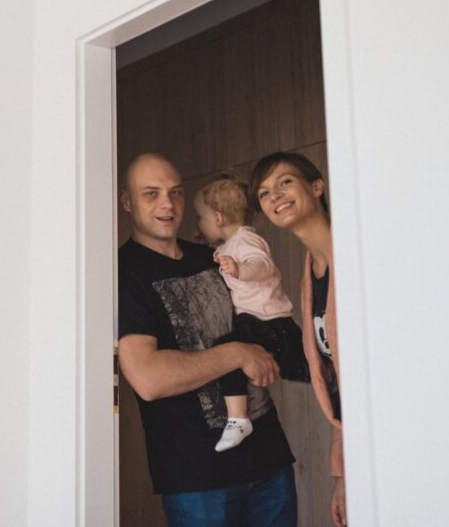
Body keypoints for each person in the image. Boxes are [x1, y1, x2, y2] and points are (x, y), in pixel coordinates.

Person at [118, 153, 297, 527]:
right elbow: (149, 378)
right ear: (127, 201)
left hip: (268, 459)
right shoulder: (122, 273)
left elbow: (264, 315)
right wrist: (236, 353)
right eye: (151, 194)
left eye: (176, 192)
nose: (168, 204)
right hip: (197, 480)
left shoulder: (216, 256)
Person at [250, 152, 346, 527]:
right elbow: (339, 382)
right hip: (362, 444)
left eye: (285, 182)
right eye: (264, 193)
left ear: (317, 186)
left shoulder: (356, 251)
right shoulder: (310, 273)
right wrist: (342, 476)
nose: (275, 195)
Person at [193, 176, 310, 453]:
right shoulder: (227, 246)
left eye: (201, 218)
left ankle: (237, 418)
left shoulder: (247, 240)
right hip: (258, 321)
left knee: (226, 351)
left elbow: (262, 265)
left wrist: (240, 270)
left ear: (218, 217)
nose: (198, 224)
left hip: (267, 321)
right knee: (307, 368)